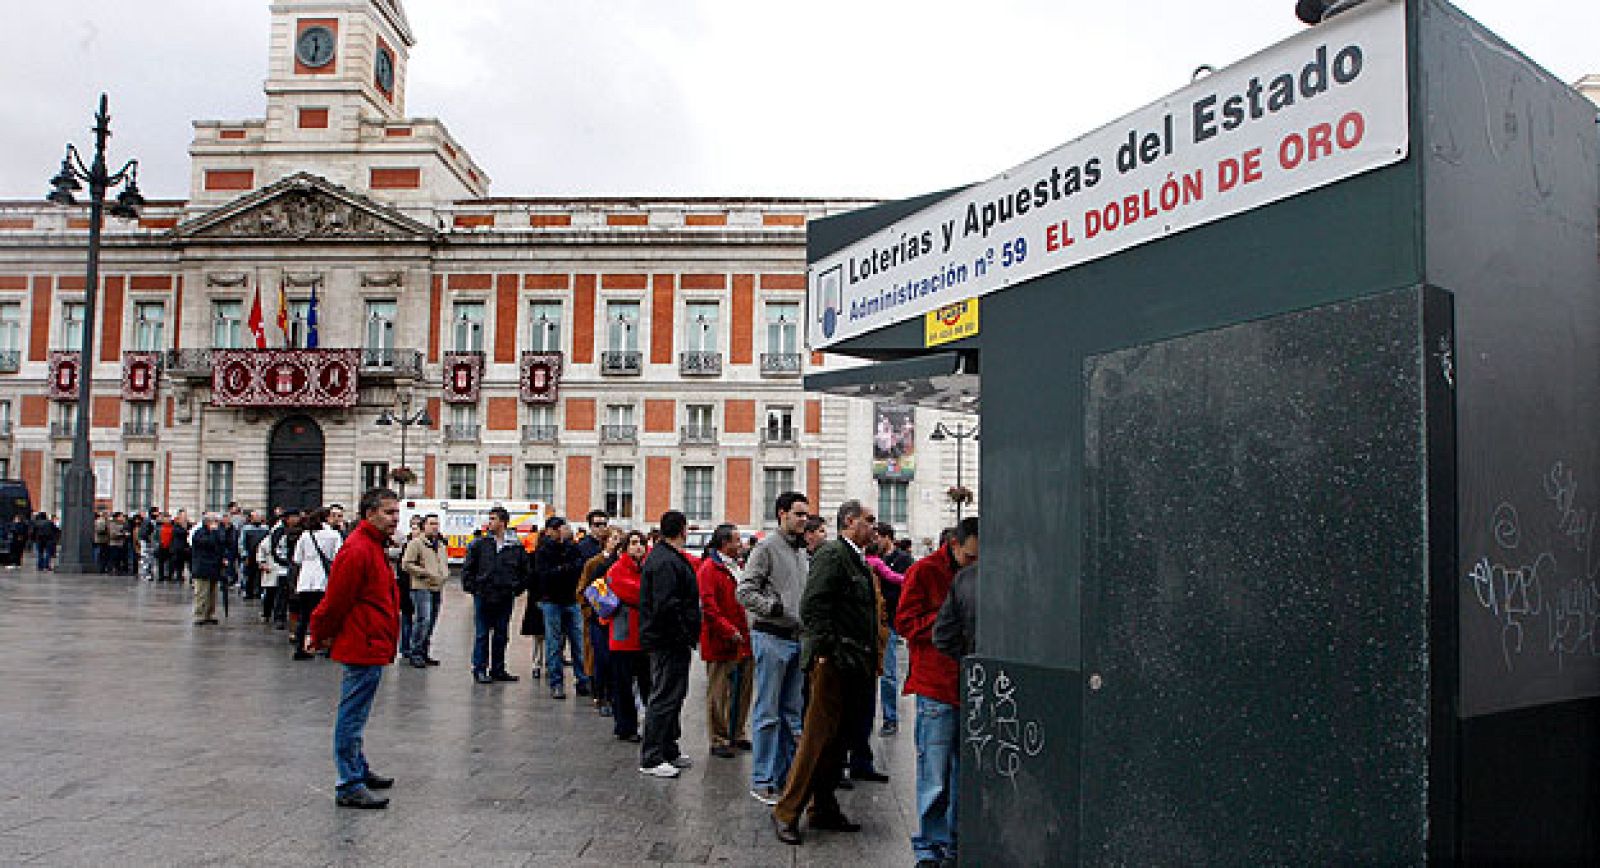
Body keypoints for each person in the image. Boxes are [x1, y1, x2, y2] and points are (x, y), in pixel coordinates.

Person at [771, 500, 880, 846]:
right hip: (833, 663)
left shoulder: (857, 559)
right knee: (817, 738)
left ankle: (824, 807)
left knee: (839, 740)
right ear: (849, 521)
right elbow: (813, 605)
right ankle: (786, 811)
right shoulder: (834, 554)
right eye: (869, 520)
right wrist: (825, 651)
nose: (874, 527)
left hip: (853, 665)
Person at [305, 487, 402, 810]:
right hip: (362, 642)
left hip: (372, 641)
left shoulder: (373, 546)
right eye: (388, 512)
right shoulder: (357, 549)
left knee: (358, 712)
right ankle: (348, 782)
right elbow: (335, 600)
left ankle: (358, 767)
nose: (395, 518)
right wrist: (317, 633)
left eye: (396, 512)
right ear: (369, 513)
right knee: (352, 715)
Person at [895, 516, 979, 868]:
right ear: (954, 544)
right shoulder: (925, 571)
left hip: (969, 686)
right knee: (935, 775)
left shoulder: (975, 574)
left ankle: (955, 843)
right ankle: (929, 846)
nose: (975, 565)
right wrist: (950, 617)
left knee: (962, 775)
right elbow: (904, 622)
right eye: (970, 558)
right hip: (936, 685)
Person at [736, 491, 812, 806]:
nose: (804, 520)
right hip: (770, 636)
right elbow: (744, 590)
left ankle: (784, 777)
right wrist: (773, 608)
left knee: (790, 713)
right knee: (767, 712)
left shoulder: (801, 551)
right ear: (782, 513)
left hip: (796, 638)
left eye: (806, 515)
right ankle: (762, 779)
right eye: (798, 514)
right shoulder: (766, 548)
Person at [637, 510, 701, 779]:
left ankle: (668, 747)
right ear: (682, 530)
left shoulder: (666, 557)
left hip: (671, 638)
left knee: (674, 694)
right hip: (667, 639)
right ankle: (652, 756)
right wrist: (685, 631)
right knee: (664, 696)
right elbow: (667, 605)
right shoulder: (665, 560)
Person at [698, 523, 753, 760]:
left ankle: (737, 731)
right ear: (724, 544)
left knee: (743, 690)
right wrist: (728, 629)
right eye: (736, 540)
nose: (741, 545)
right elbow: (709, 607)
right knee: (718, 692)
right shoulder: (710, 569)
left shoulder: (738, 567)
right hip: (721, 639)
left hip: (744, 637)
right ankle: (718, 737)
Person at [461, 507, 528, 685]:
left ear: (503, 522)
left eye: (493, 519)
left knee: (501, 634)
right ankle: (479, 668)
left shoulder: (515, 546)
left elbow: (524, 571)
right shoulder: (480, 544)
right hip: (483, 594)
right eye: (489, 519)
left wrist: (516, 588)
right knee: (482, 634)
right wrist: (473, 587)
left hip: (505, 595)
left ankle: (498, 668)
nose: (489, 522)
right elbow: (468, 567)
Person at [532, 516, 589, 699]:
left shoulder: (572, 547)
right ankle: (556, 682)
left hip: (571, 599)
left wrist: (563, 569)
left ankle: (582, 680)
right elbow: (545, 575)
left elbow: (579, 568)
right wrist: (565, 570)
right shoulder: (544, 550)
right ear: (550, 530)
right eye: (558, 529)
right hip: (552, 600)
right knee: (553, 643)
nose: (562, 532)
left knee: (578, 642)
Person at [606, 530, 651, 742]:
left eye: (642, 543)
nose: (639, 547)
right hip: (623, 637)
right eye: (634, 543)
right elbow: (637, 593)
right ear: (625, 548)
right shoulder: (617, 570)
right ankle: (625, 726)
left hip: (644, 637)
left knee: (647, 684)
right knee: (623, 685)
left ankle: (649, 723)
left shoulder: (648, 569)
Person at [576, 527, 619, 715]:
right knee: (599, 656)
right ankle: (599, 694)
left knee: (614, 658)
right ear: (605, 541)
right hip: (598, 618)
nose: (617, 542)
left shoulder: (621, 563)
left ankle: (612, 693)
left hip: (617, 619)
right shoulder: (594, 563)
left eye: (620, 539)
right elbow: (583, 590)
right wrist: (589, 612)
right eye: (614, 538)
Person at [292, 508, 345, 660]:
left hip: (306, 578)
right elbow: (338, 557)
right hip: (324, 579)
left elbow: (297, 558)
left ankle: (300, 648)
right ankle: (325, 646)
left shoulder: (305, 535)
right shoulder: (333, 535)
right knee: (325, 614)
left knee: (304, 616)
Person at [400, 514, 447, 668]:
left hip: (436, 586)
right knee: (423, 620)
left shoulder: (440, 545)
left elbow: (442, 563)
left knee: (431, 621)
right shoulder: (416, 543)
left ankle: (424, 652)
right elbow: (406, 564)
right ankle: (415, 652)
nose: (435, 526)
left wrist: (443, 575)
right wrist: (424, 573)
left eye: (436, 523)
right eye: (431, 523)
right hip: (421, 587)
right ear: (423, 526)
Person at [877, 526, 912, 736]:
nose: (876, 541)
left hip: (891, 619)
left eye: (879, 538)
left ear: (888, 538)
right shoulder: (873, 558)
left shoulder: (903, 559)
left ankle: (891, 718)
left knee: (888, 673)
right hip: (876, 621)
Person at [189, 513, 232, 626]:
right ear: (208, 522)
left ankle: (209, 614)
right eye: (215, 522)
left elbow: (222, 545)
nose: (217, 524)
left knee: (212, 593)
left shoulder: (217, 533)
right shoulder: (199, 533)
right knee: (202, 592)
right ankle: (200, 614)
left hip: (214, 566)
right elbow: (208, 543)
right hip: (202, 566)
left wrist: (224, 558)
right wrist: (213, 532)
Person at [239, 511, 270, 601]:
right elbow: (242, 542)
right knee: (249, 574)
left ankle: (259, 592)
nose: (257, 519)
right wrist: (244, 555)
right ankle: (248, 592)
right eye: (255, 517)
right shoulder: (246, 529)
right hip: (250, 554)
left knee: (260, 574)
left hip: (261, 554)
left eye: (258, 517)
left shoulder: (265, 528)